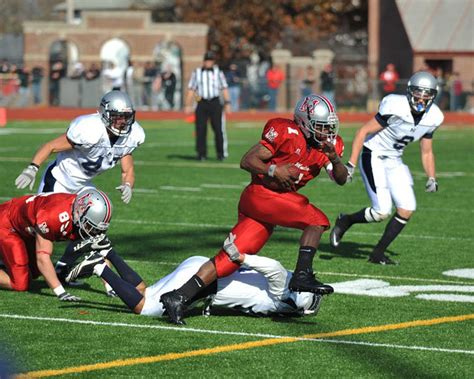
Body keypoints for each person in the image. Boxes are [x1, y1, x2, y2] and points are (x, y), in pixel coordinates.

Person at [161, 94, 349, 324]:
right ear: (303, 122)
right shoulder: (286, 132)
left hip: (273, 204)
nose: (326, 133)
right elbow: (247, 160)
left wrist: (336, 160)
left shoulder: (328, 147)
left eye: (328, 127)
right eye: (320, 127)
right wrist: (274, 170)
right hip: (261, 195)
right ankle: (302, 275)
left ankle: (179, 297)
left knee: (230, 258)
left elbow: (341, 179)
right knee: (316, 220)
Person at [14, 90, 145, 291]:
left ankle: (77, 274)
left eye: (126, 117)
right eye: (118, 117)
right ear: (105, 114)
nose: (122, 122)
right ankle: (13, 260)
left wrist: (128, 184)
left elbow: (128, 167)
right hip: (59, 181)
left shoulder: (131, 136)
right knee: (42, 231)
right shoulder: (89, 129)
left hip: (83, 186)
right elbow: (50, 146)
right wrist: (32, 167)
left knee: (95, 229)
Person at [329, 71, 443, 265]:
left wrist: (431, 177)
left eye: (426, 95)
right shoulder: (395, 106)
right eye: (418, 93)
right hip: (373, 154)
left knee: (407, 208)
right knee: (381, 212)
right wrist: (351, 164)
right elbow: (363, 132)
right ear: (409, 92)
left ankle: (377, 254)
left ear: (433, 96)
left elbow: (426, 151)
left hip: (395, 160)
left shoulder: (434, 116)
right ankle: (346, 220)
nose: (421, 99)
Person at [65, 239, 322, 320]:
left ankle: (108, 251)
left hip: (203, 272)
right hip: (203, 279)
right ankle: (100, 268)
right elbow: (274, 268)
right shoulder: (281, 294)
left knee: (144, 292)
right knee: (147, 309)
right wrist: (241, 257)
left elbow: (277, 270)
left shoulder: (284, 287)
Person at [0, 188, 112, 301]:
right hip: (7, 225)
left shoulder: (78, 211)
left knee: (33, 272)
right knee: (20, 283)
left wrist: (109, 286)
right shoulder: (53, 217)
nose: (93, 231)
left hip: (25, 228)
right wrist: (61, 292)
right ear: (80, 211)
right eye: (90, 226)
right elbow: (43, 257)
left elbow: (101, 251)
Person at [185, 51, 231, 161]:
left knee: (218, 128)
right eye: (207, 60)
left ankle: (220, 153)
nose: (208, 63)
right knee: (200, 129)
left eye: (210, 60)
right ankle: (201, 154)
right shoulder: (197, 72)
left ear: (213, 62)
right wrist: (187, 104)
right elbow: (191, 89)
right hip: (202, 102)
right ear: (204, 61)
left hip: (215, 102)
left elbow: (224, 88)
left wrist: (227, 102)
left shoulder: (218, 72)